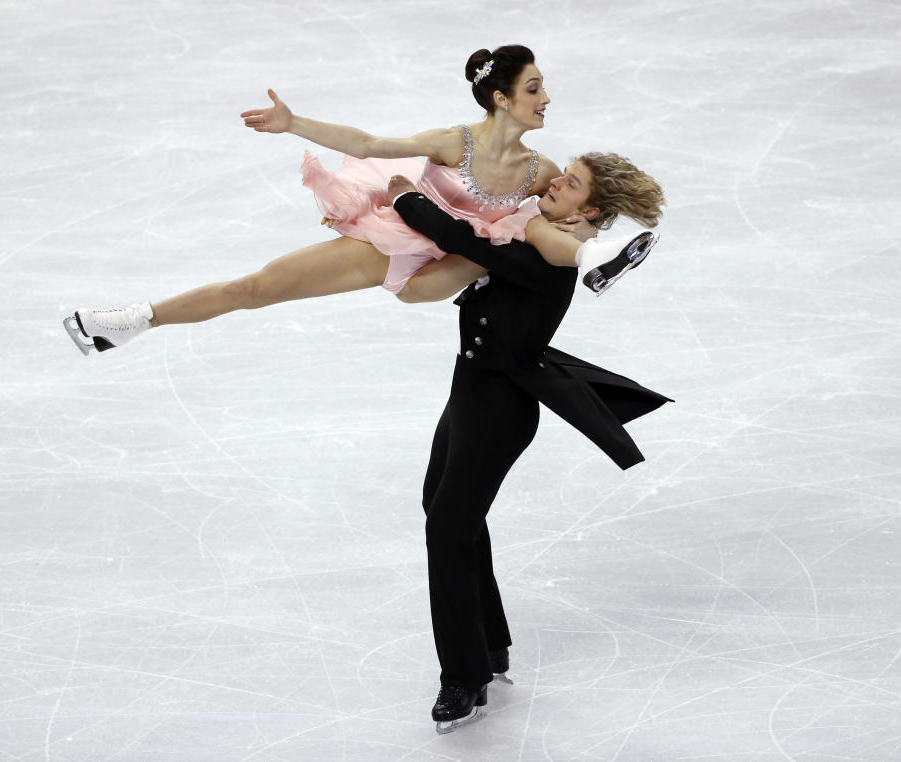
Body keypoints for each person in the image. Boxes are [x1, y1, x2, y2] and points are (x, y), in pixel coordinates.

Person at [62, 45, 659, 355]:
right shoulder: (455, 143)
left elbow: (571, 205)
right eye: (534, 88)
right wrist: (294, 123)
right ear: (501, 99)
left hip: (458, 264)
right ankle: (132, 320)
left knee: (524, 234)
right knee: (256, 288)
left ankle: (595, 264)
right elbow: (371, 142)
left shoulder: (541, 171)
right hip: (397, 244)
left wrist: (584, 227)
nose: (546, 97)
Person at [383, 163, 671, 733]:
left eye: (574, 183)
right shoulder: (536, 228)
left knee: (447, 529)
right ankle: (489, 648)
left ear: (588, 213)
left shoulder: (550, 253)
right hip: (470, 391)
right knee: (445, 515)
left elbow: (462, 239)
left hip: (501, 408)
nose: (559, 180)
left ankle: (463, 678)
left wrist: (407, 202)